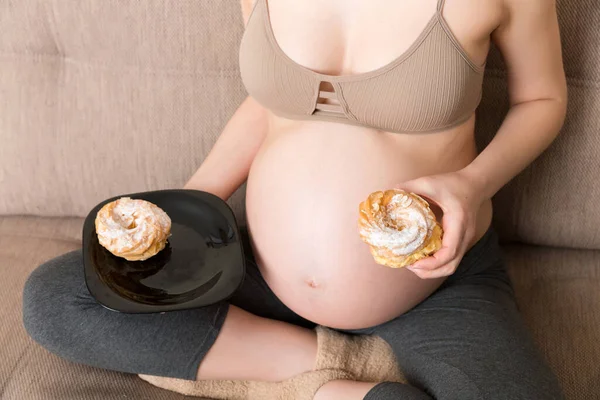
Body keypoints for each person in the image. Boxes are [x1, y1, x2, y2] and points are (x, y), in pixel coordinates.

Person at [23, 0, 568, 398]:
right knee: (59, 298)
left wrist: (472, 185)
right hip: (251, 264)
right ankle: (332, 375)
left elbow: (541, 99)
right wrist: (194, 198)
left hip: (434, 281)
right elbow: (270, 104)